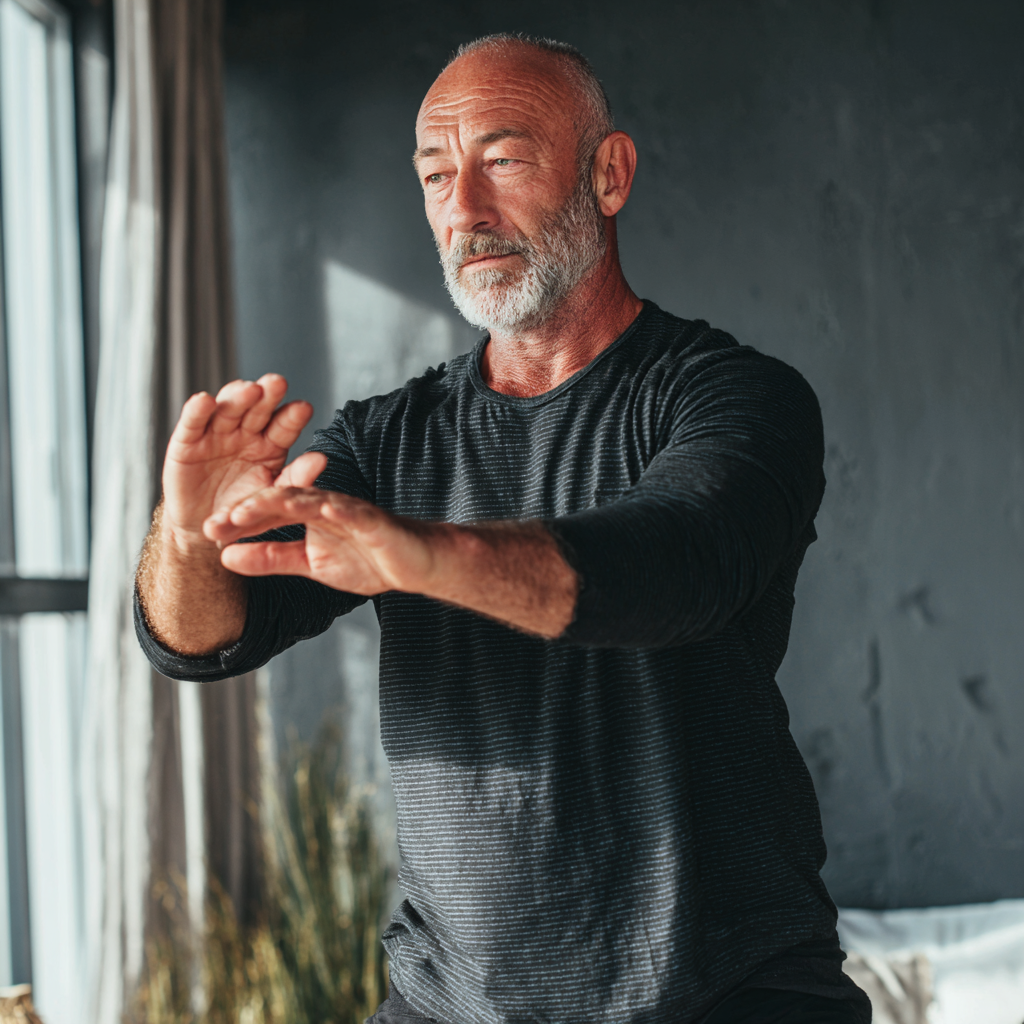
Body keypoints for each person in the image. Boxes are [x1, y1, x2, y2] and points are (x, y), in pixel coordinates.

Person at [136, 33, 871, 1024]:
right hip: (446, 1008)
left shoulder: (732, 398)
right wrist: (187, 535)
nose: (463, 212)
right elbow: (206, 639)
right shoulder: (386, 441)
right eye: (436, 174)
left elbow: (676, 566)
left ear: (607, 175)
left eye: (503, 160)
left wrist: (419, 553)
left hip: (726, 997)